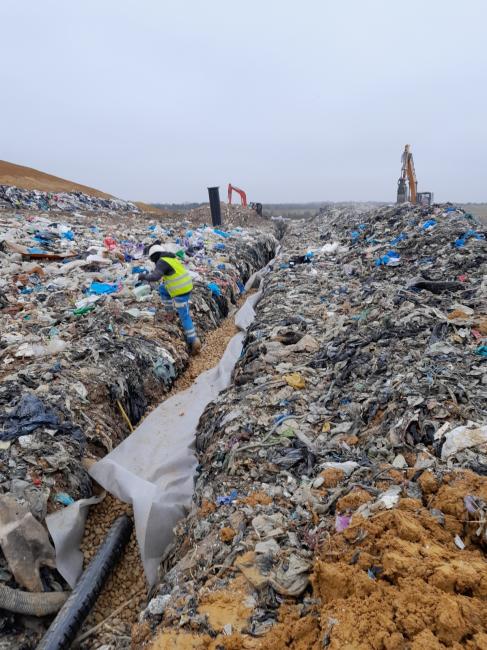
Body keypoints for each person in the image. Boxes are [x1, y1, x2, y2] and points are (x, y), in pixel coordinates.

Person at [138, 243, 202, 354]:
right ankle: (170, 313)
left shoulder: (162, 262)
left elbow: (155, 277)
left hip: (180, 291)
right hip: (186, 286)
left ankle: (193, 341)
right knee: (162, 289)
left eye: (153, 259)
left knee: (184, 316)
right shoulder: (170, 258)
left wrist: (143, 276)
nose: (153, 262)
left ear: (154, 256)